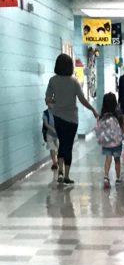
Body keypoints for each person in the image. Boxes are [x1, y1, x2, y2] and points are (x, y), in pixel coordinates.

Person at [45, 53, 98, 186]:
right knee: (67, 146)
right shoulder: (73, 81)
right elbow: (82, 99)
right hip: (72, 120)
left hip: (58, 118)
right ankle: (66, 175)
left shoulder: (53, 80)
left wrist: (54, 106)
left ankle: (61, 171)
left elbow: (47, 99)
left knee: (62, 143)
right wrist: (93, 109)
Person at [95, 92, 124, 189]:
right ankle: (118, 178)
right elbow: (122, 127)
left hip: (106, 142)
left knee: (108, 159)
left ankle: (106, 177)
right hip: (116, 142)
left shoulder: (102, 115)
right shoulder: (118, 114)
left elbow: (98, 127)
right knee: (117, 160)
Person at [42, 105, 59, 171]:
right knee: (52, 148)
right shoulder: (45, 113)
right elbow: (46, 124)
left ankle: (58, 160)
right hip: (49, 133)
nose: (51, 105)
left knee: (58, 147)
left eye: (52, 103)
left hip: (58, 133)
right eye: (49, 103)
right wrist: (52, 129)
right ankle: (54, 163)